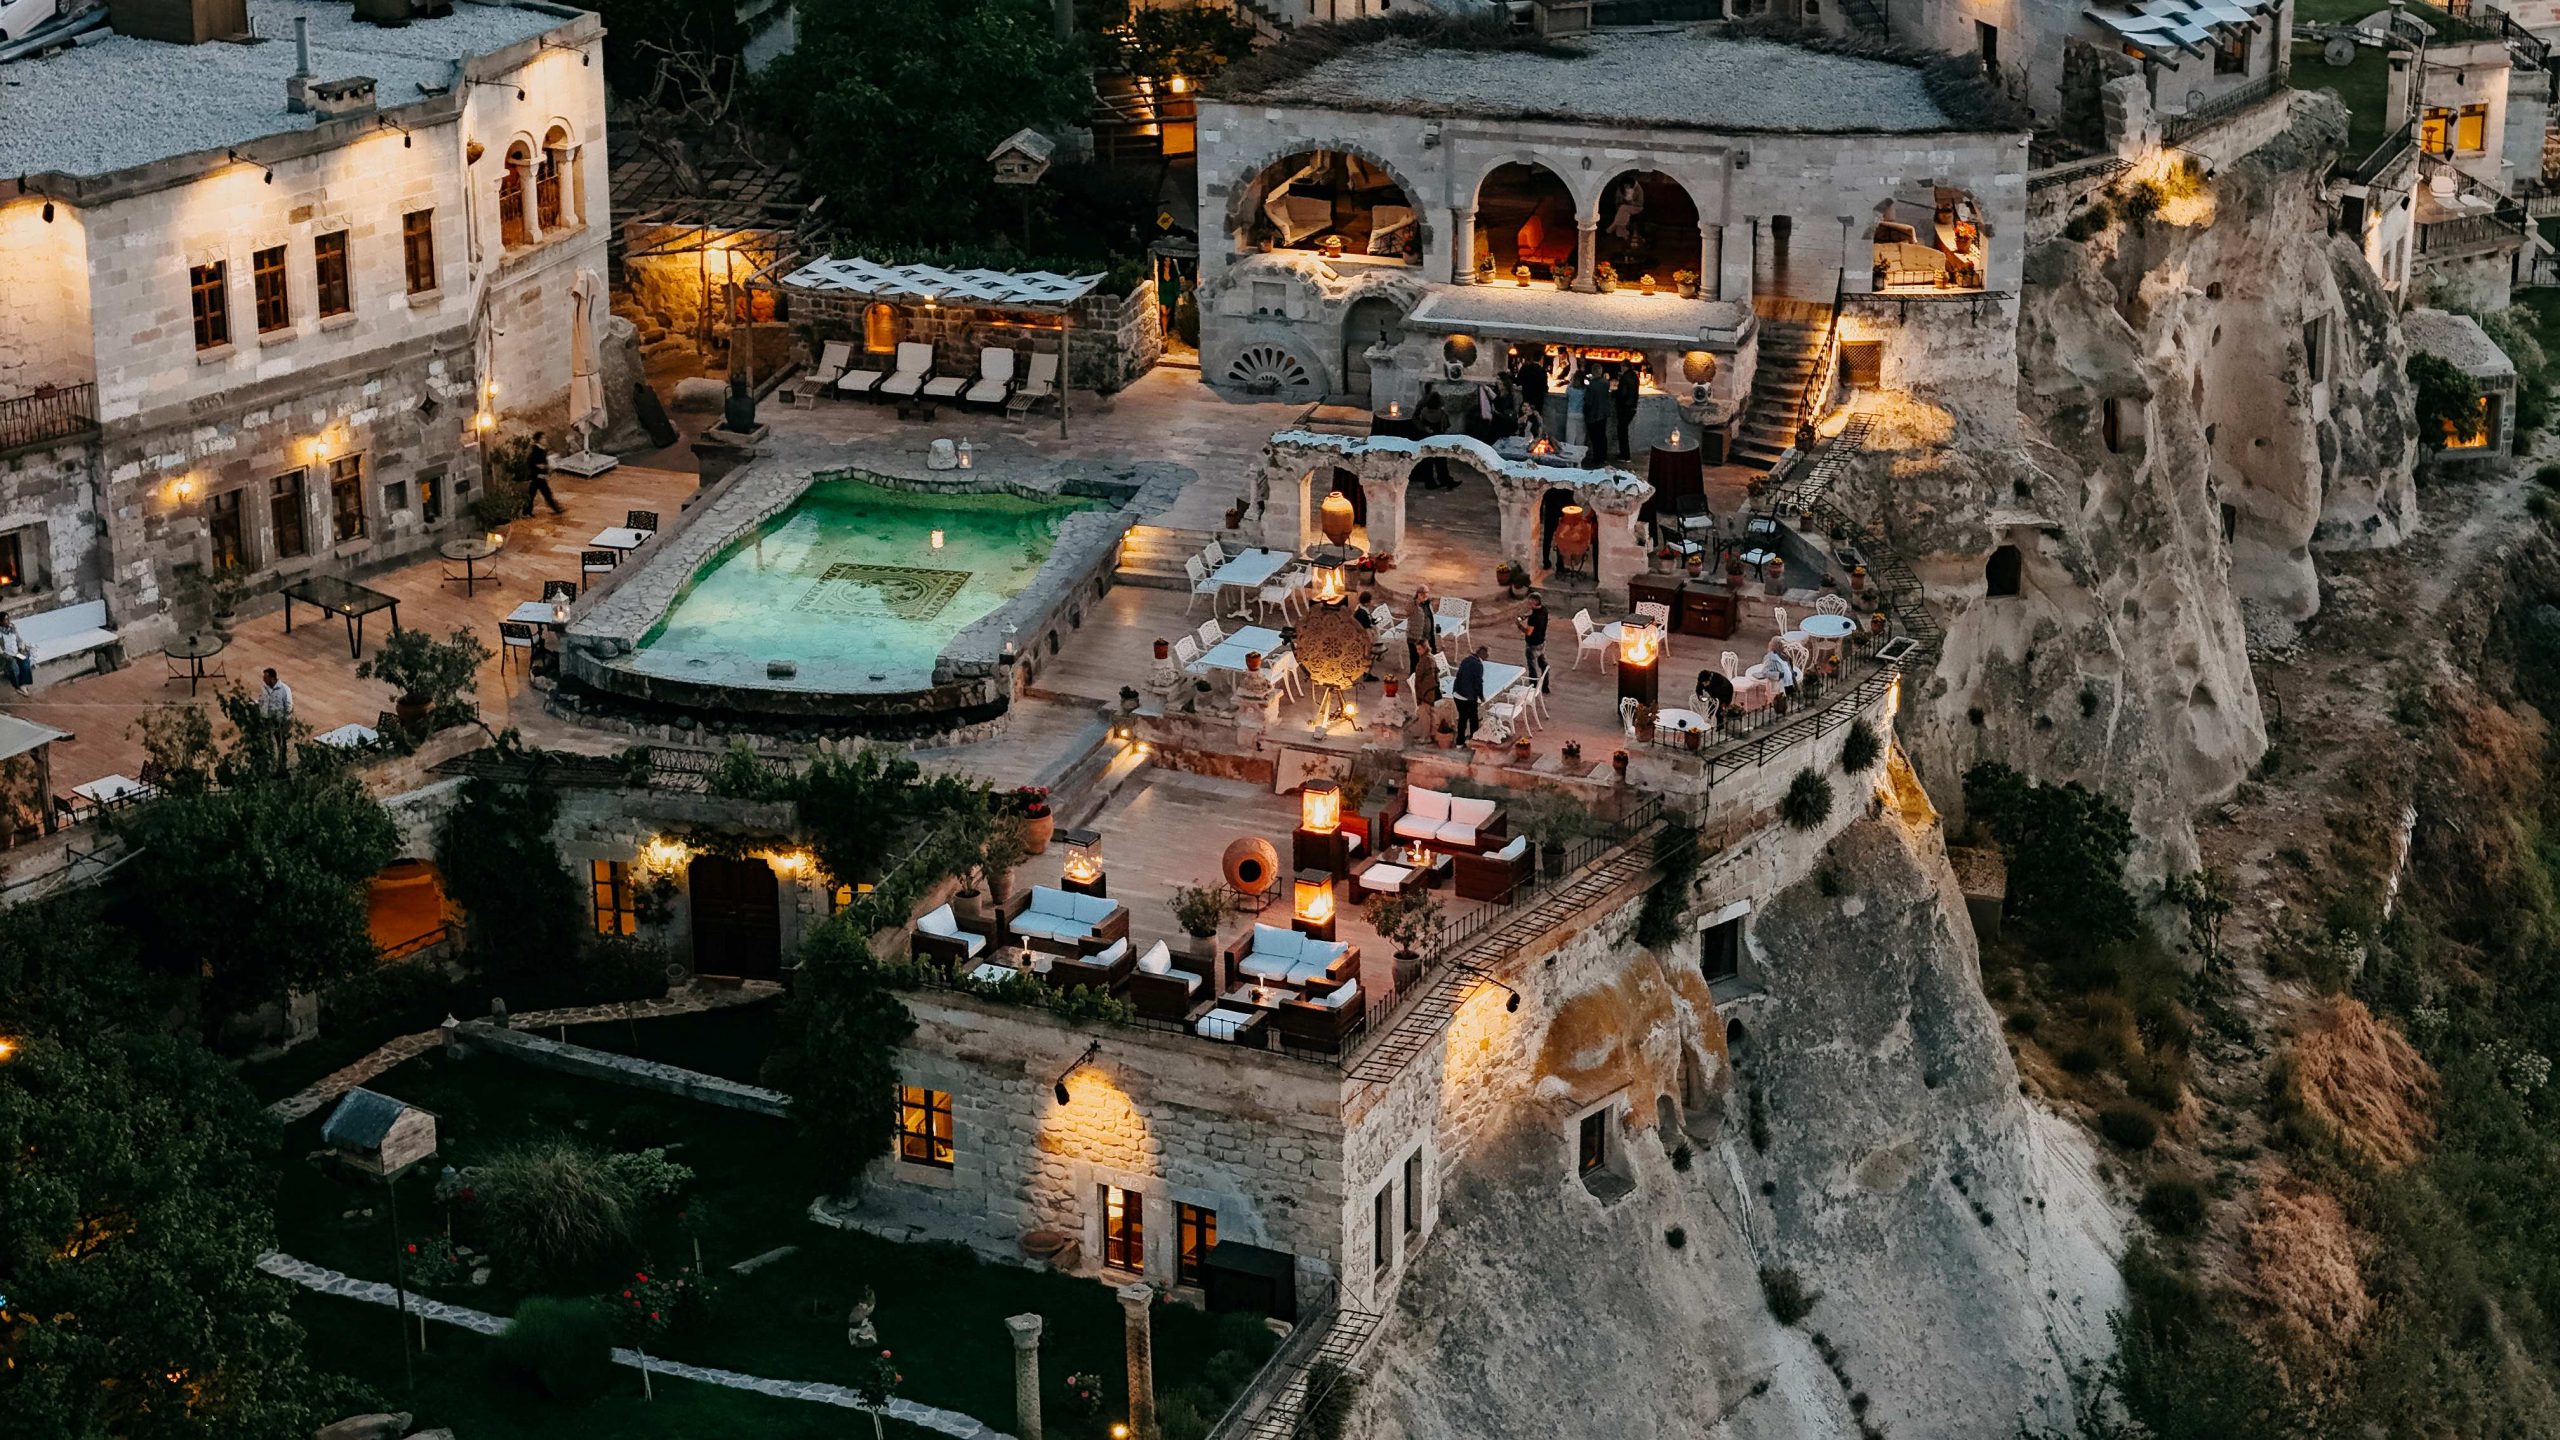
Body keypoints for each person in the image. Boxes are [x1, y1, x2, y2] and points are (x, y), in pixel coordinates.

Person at [522, 430, 564, 517]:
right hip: (538, 476)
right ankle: (556, 509)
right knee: (544, 493)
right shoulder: (536, 450)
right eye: (543, 438)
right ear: (539, 440)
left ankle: (527, 511)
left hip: (538, 476)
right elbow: (536, 463)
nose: (545, 440)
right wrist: (547, 466)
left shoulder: (541, 449)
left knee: (534, 493)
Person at [1453, 644, 1488, 744]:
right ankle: (1474, 739)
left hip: (1457, 693)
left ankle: (1460, 742)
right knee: (1473, 719)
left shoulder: (1466, 660)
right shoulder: (1478, 665)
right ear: (1483, 655)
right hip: (1468, 697)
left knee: (1462, 718)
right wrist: (1481, 696)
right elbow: (1478, 683)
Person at [1519, 591, 1550, 681]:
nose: (1529, 603)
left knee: (1532, 667)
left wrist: (1519, 625)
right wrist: (1526, 616)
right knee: (1543, 664)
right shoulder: (1544, 610)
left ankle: (1533, 684)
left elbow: (1528, 632)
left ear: (1535, 601)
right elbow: (1534, 613)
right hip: (1541, 642)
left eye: (1530, 601)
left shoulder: (1533, 618)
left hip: (1532, 645)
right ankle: (1545, 684)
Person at [1614, 364, 1641, 458]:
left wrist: (1615, 394)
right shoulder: (1635, 376)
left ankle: (1625, 455)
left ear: (1625, 367)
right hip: (1633, 406)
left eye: (1622, 366)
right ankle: (1625, 454)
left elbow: (1622, 393)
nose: (1621, 368)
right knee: (1624, 430)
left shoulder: (1625, 377)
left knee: (1622, 431)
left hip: (1625, 407)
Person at [0, 615, 29, 689]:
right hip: (5, 655)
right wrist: (7, 656)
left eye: (8, 619)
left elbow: (18, 639)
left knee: (24, 659)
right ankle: (18, 686)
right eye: (6, 619)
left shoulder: (12, 628)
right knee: (14, 665)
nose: (8, 621)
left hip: (15, 653)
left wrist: (21, 648)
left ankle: (22, 682)